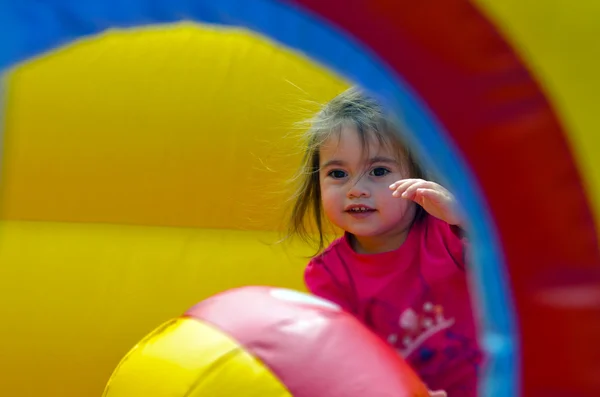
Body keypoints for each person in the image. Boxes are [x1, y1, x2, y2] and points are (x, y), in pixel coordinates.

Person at [286, 87, 482, 396]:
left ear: (418, 173)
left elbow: (513, 267)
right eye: (338, 174)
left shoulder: (448, 234)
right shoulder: (330, 275)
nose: (356, 189)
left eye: (378, 171)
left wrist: (464, 218)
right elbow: (343, 363)